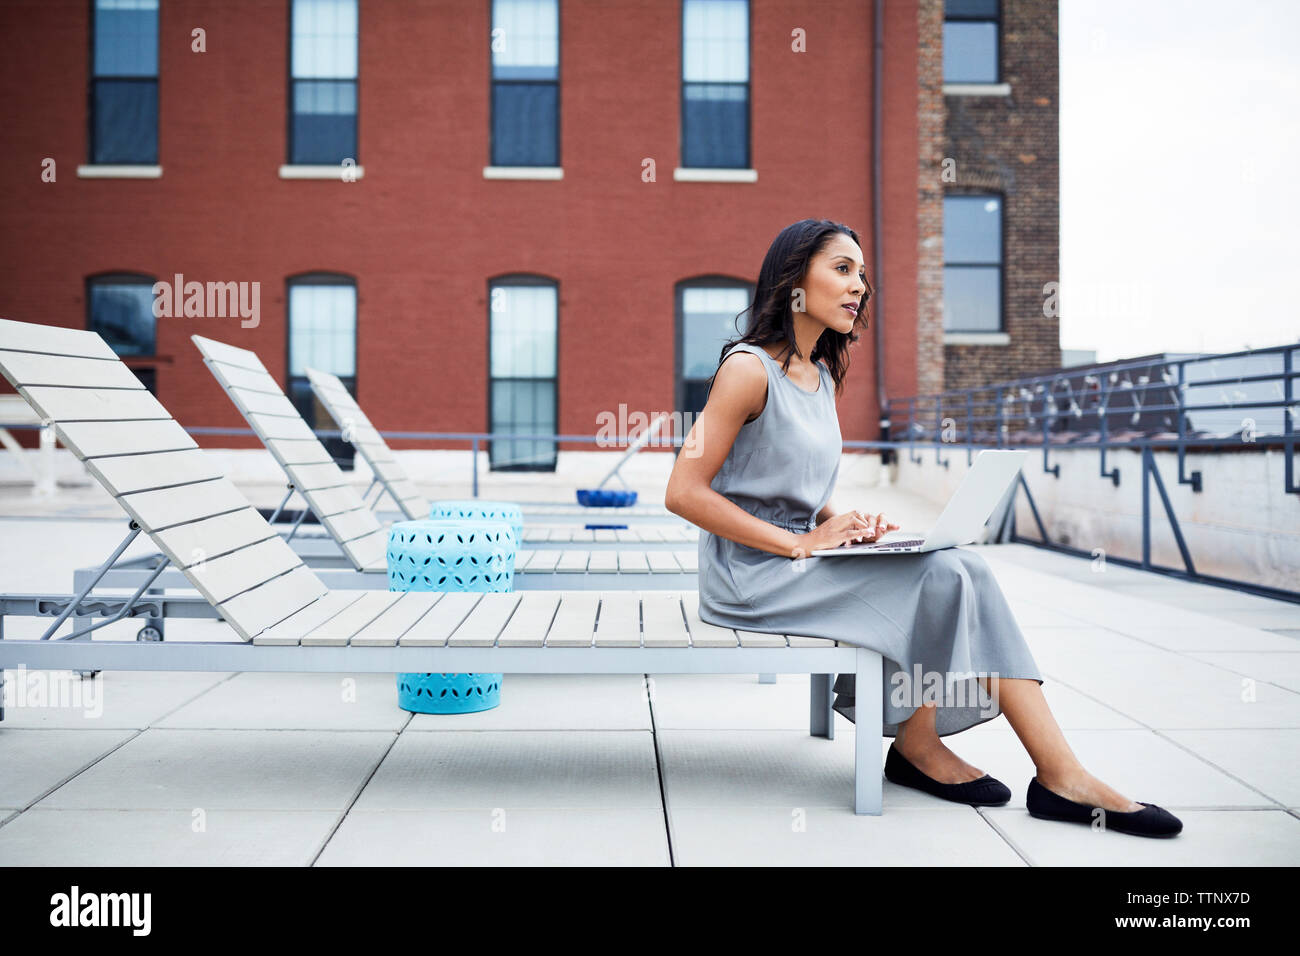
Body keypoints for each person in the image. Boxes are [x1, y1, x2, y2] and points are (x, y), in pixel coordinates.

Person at [664, 218, 1182, 838]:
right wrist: (800, 541)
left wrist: (844, 524)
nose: (859, 286)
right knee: (943, 574)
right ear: (794, 278)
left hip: (797, 559)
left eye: (862, 273)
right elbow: (683, 491)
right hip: (750, 573)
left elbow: (791, 485)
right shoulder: (747, 371)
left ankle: (990, 757)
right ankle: (1012, 766)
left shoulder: (822, 375)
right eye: (842, 269)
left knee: (956, 563)